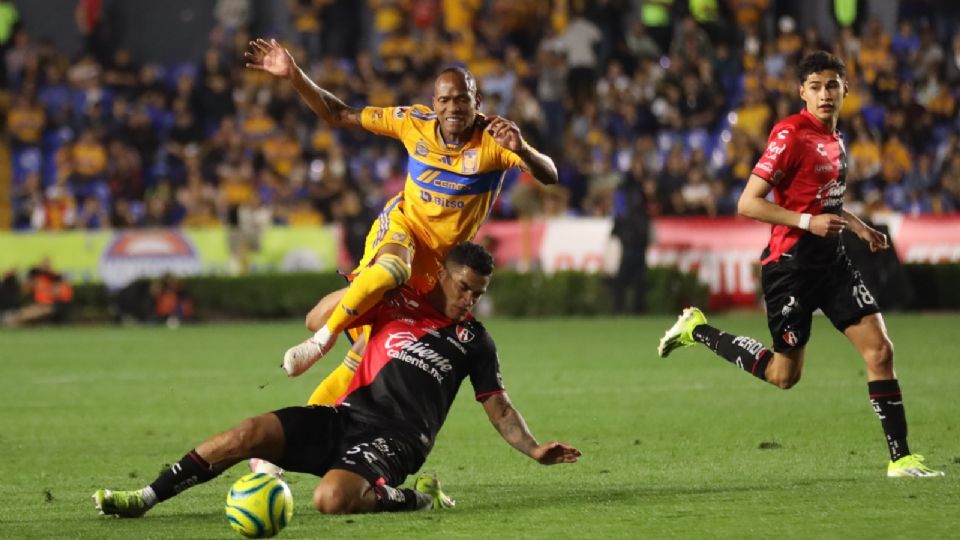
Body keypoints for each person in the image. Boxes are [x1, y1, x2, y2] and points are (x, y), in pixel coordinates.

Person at [93, 243, 581, 518]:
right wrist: (368, 280)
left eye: (479, 293)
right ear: (441, 279)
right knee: (246, 435)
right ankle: (147, 497)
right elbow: (316, 320)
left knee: (330, 500)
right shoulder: (397, 303)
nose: (470, 299)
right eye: (464, 288)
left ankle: (418, 497)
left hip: (398, 439)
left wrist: (535, 449)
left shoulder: (475, 340)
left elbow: (498, 407)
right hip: (344, 418)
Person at [656, 51, 944, 478]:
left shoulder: (837, 139)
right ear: (801, 92)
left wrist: (858, 226)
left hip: (832, 263)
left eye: (831, 85)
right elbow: (748, 203)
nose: (824, 94)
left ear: (845, 89)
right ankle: (697, 328)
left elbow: (825, 201)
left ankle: (901, 458)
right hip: (789, 266)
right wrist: (808, 222)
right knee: (784, 375)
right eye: (815, 86)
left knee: (880, 351)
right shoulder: (790, 134)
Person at [244, 39, 558, 405]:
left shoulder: (495, 141)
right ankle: (321, 341)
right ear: (434, 103)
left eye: (462, 99)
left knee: (364, 348)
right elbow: (338, 114)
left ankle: (278, 450)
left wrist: (523, 150)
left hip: (435, 266)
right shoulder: (412, 122)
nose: (453, 107)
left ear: (477, 102)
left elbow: (549, 174)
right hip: (401, 228)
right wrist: (294, 74)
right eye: (444, 100)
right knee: (390, 270)